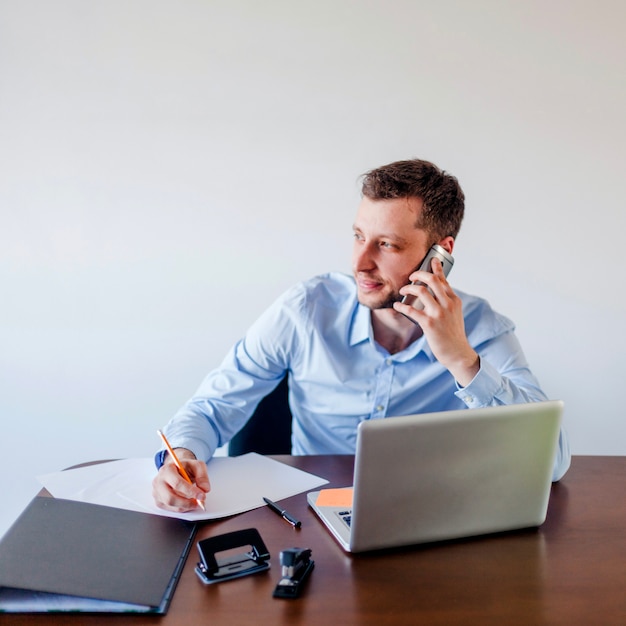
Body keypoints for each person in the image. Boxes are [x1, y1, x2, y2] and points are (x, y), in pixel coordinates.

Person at [152, 158, 570, 511]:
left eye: (386, 244)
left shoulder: (481, 329)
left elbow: (551, 463)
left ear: (440, 254)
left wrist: (463, 360)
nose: (360, 262)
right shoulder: (306, 310)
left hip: (425, 513)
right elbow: (211, 406)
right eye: (358, 236)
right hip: (309, 511)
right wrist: (182, 458)